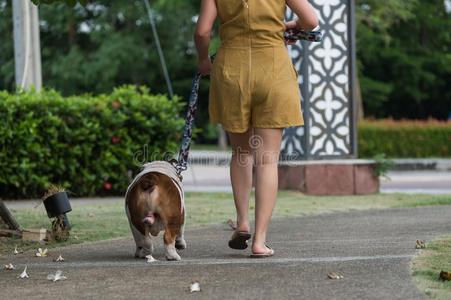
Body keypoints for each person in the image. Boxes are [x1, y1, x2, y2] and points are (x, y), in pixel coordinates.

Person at [194, 0, 318, 258]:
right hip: (273, 68)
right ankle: (260, 241)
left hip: (232, 70)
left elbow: (202, 32)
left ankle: (242, 222)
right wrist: (289, 26)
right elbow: (310, 21)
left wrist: (204, 60)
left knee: (241, 154)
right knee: (267, 160)